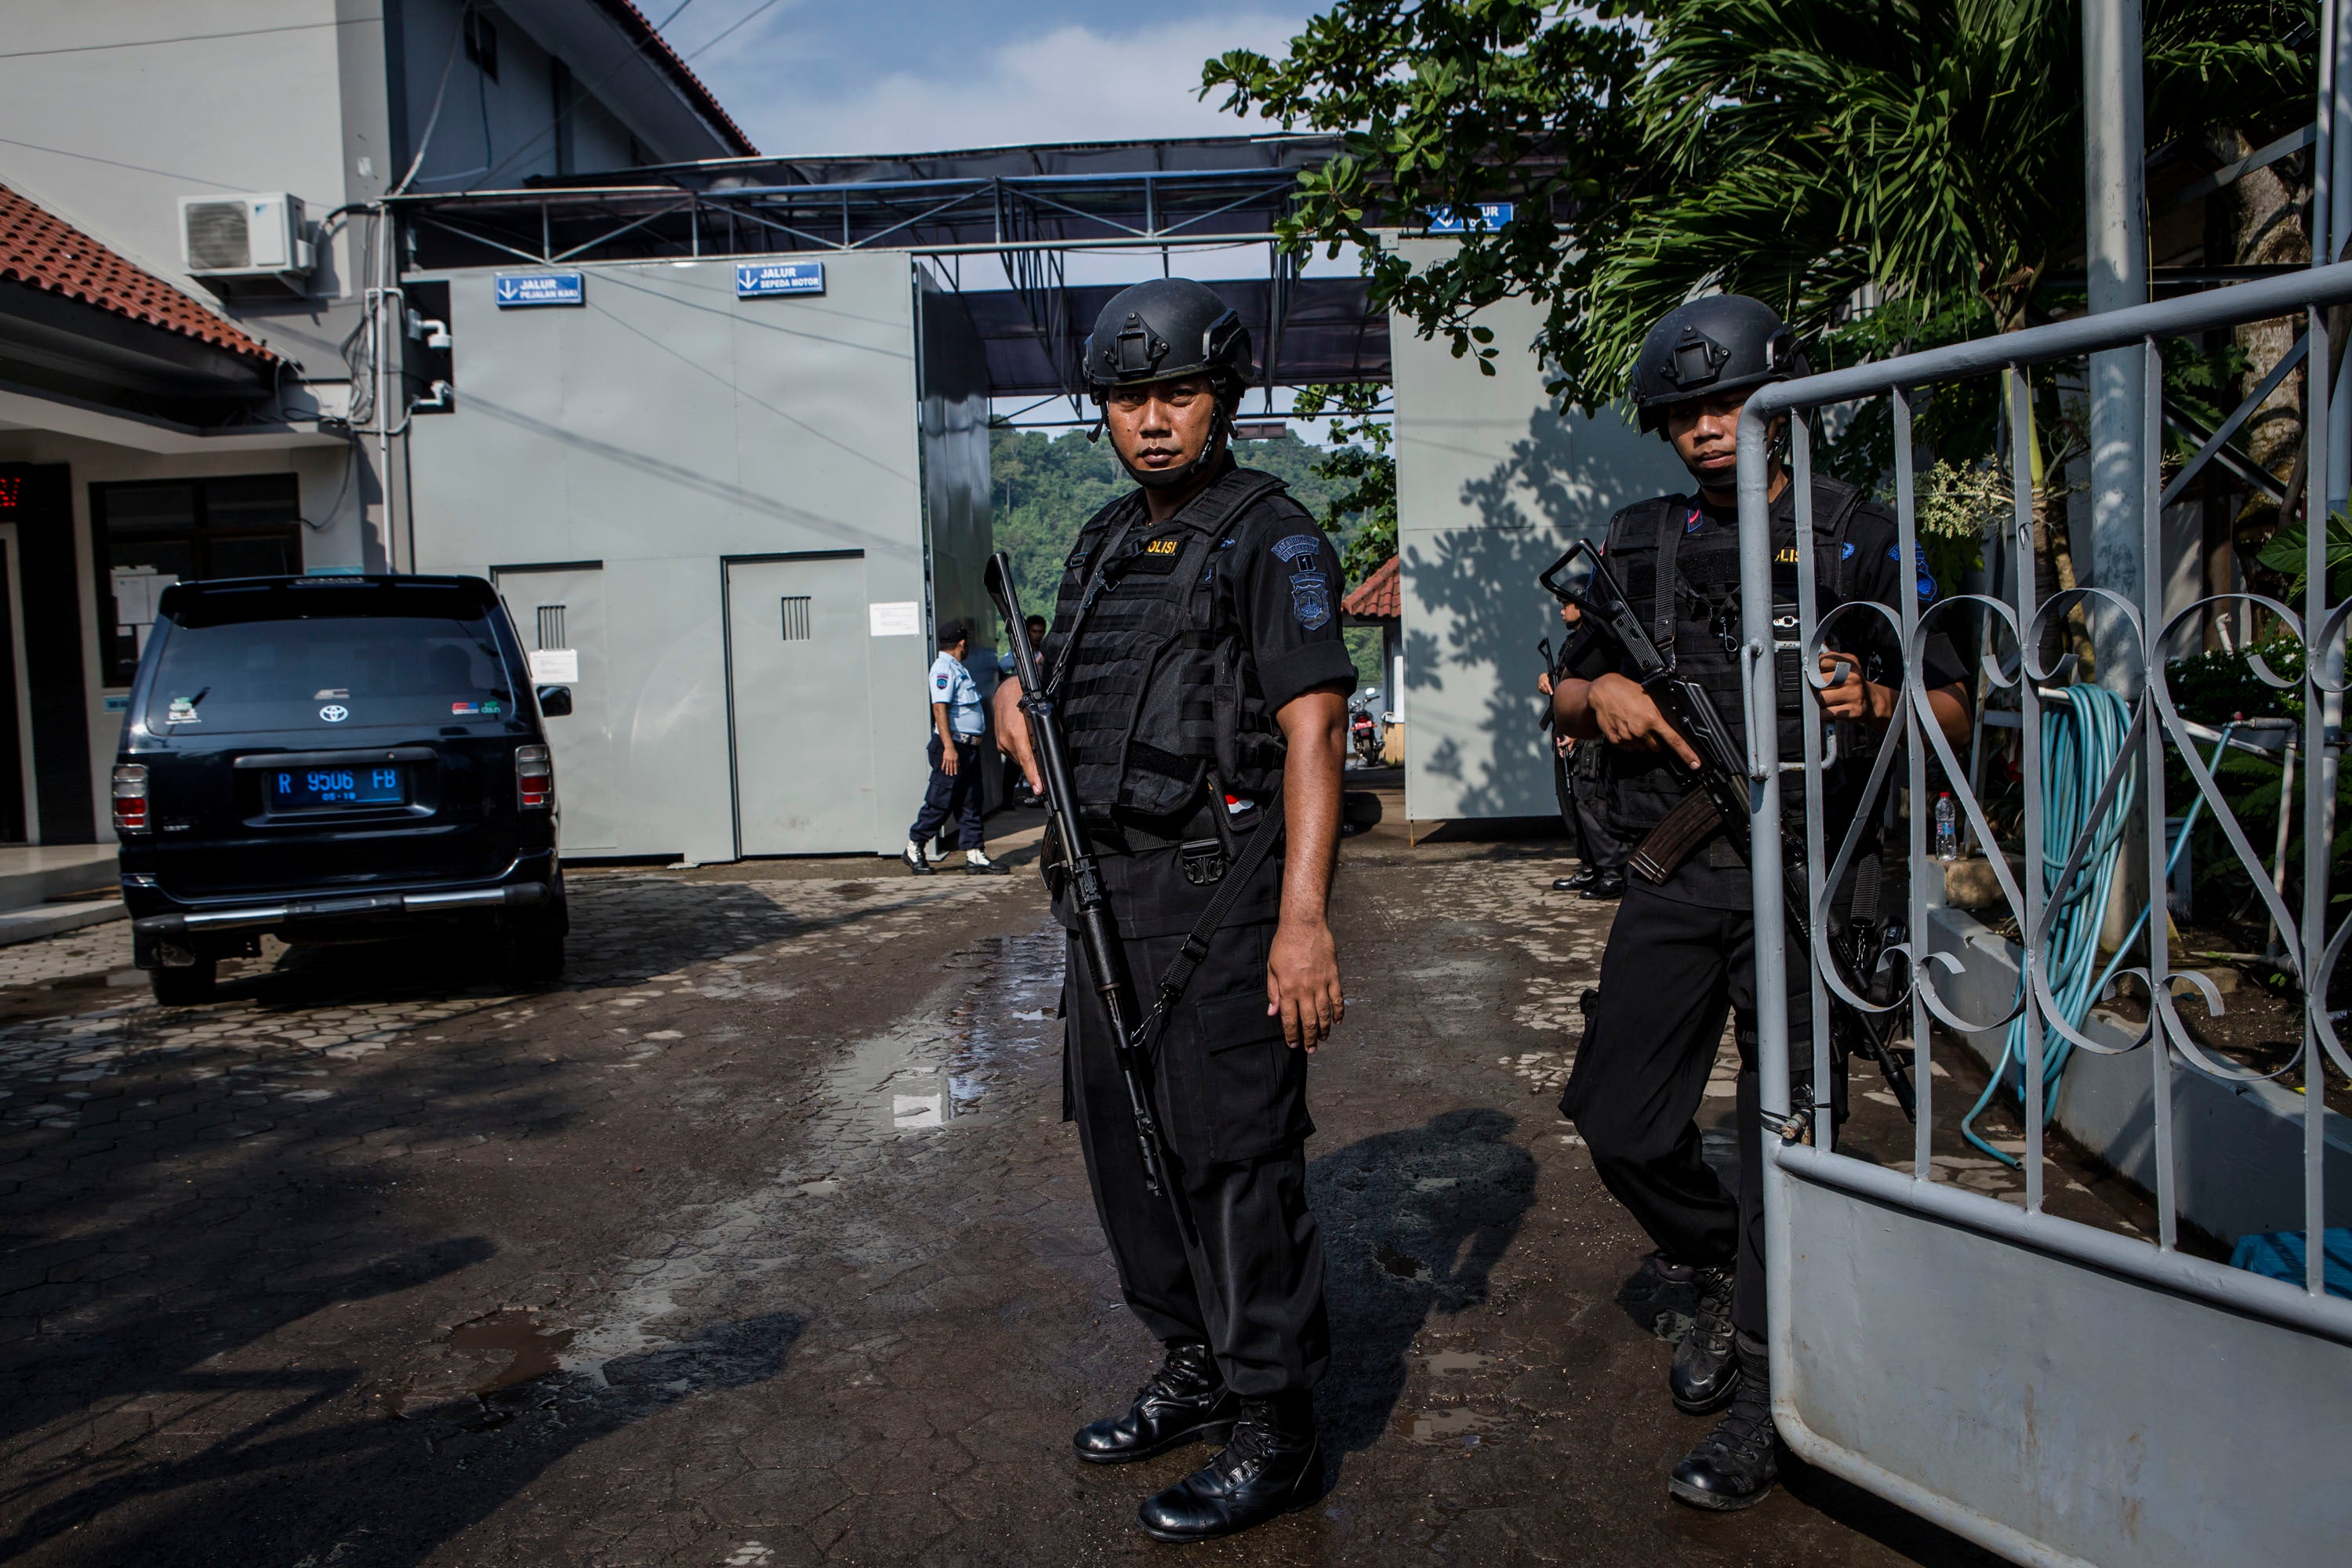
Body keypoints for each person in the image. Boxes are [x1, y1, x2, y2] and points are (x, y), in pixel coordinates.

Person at [1547, 296, 1971, 1511]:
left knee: (1795, 1127)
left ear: (1782, 400)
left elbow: (1953, 707)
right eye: (1684, 413)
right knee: (1619, 1117)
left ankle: (1762, 1403)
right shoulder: (1635, 543)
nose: (1708, 429)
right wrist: (1606, 700)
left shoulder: (1861, 538)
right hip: (1680, 872)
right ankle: (1716, 1259)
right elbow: (1561, 702)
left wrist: (1876, 708)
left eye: (1726, 403)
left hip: (1814, 875)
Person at [1044, 277, 1352, 1543]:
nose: (1153, 420)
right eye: (1128, 398)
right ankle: (1193, 1365)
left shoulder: (1274, 537)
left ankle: (1274, 1422)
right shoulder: (1103, 540)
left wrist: (1305, 921)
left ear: (1223, 398)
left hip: (1220, 892)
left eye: (1176, 393)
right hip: (1105, 900)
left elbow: (1314, 727)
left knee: (1233, 1163)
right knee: (1129, 1159)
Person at [903, 620, 1007, 876]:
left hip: (968, 748)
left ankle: (974, 854)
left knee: (971, 802)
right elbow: (939, 708)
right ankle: (914, 847)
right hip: (953, 747)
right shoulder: (943, 668)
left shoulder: (957, 668)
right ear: (962, 643)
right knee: (940, 802)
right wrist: (949, 748)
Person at [1538, 600, 1626, 900]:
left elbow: (1601, 690)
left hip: (1590, 735)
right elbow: (1569, 680)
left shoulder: (1598, 643)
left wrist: (1578, 730)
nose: (1562, 610)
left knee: (1591, 801)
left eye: (1567, 604)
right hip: (1567, 734)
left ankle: (1612, 871)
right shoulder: (1572, 644)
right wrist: (1548, 680)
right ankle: (1591, 866)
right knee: (1572, 802)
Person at [994, 615, 1047, 806]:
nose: (1038, 635)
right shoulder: (1017, 655)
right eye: (1034, 631)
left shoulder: (1045, 654)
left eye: (1041, 631)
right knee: (1017, 757)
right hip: (1020, 710)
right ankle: (1007, 799)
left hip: (1040, 710)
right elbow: (1001, 669)